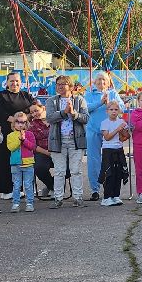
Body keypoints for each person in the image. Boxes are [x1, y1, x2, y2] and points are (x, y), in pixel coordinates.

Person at [46, 76, 88, 207]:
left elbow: (86, 118)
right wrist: (64, 112)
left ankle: (78, 197)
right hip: (58, 140)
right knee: (59, 171)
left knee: (76, 170)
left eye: (63, 84)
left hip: (76, 140)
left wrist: (74, 113)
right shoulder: (51, 101)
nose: (59, 86)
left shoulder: (79, 100)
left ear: (70, 86)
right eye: (58, 84)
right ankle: (58, 199)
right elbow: (50, 118)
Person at [0, 74, 36, 198]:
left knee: (23, 160)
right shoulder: (1, 96)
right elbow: (1, 113)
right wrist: (17, 121)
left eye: (17, 81)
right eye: (11, 81)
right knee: (5, 160)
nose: (14, 83)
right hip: (6, 133)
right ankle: (6, 190)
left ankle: (24, 187)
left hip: (24, 134)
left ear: (20, 82)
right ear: (6, 82)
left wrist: (23, 121)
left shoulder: (26, 95)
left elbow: (34, 109)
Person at [84, 72, 124, 201]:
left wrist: (112, 105)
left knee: (111, 159)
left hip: (111, 132)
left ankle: (110, 187)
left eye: (104, 80)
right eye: (99, 80)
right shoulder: (89, 94)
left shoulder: (113, 93)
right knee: (93, 160)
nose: (101, 82)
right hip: (93, 130)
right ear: (94, 82)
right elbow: (85, 109)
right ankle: (95, 189)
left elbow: (122, 108)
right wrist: (100, 103)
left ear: (108, 82)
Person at [98, 101, 130, 206]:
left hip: (119, 149)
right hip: (108, 150)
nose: (114, 112)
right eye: (111, 110)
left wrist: (124, 129)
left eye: (116, 110)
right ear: (107, 111)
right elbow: (107, 137)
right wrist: (117, 129)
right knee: (109, 174)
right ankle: (107, 197)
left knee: (118, 173)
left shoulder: (121, 121)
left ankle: (116, 195)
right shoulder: (104, 123)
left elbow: (125, 137)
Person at [6, 110, 37, 212]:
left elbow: (32, 147)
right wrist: (19, 139)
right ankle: (16, 203)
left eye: (23, 122)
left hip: (28, 164)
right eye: (18, 122)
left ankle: (29, 203)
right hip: (15, 164)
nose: (20, 124)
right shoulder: (10, 136)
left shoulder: (30, 134)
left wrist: (24, 140)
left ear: (26, 123)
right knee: (16, 185)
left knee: (28, 184)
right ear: (14, 123)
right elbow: (11, 147)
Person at [27, 100, 54, 200]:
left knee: (69, 169)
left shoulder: (54, 120)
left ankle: (50, 185)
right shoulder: (32, 125)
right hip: (41, 152)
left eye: (36, 110)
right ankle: (53, 187)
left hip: (58, 151)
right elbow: (33, 145)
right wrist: (47, 153)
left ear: (43, 108)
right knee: (39, 168)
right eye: (32, 112)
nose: (35, 114)